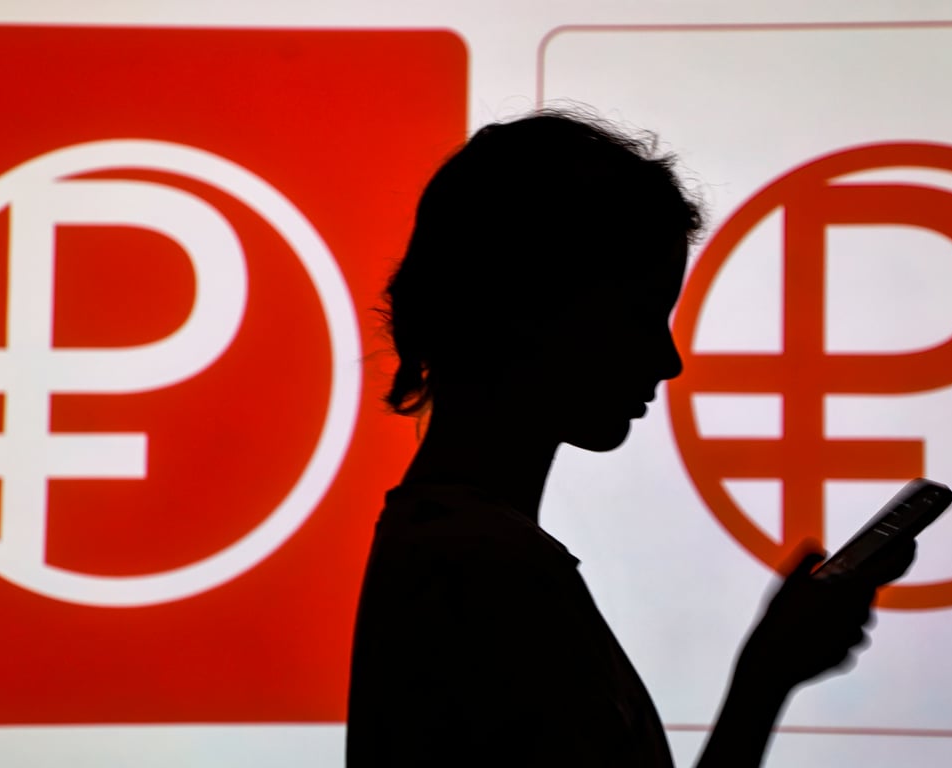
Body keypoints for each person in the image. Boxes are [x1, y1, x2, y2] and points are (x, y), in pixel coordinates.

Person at [345, 110, 913, 767]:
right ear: (528, 312)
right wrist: (765, 677)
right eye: (639, 317)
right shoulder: (489, 574)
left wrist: (770, 670)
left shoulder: (451, 547)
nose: (667, 360)